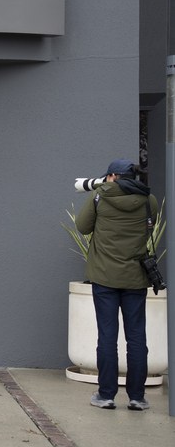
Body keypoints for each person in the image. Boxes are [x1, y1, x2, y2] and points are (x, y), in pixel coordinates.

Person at [75, 158, 158, 411]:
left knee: (107, 337)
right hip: (135, 278)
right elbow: (149, 228)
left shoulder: (99, 197)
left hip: (104, 277)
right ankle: (137, 397)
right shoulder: (149, 200)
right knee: (136, 337)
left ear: (112, 176)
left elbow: (82, 227)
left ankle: (106, 395)